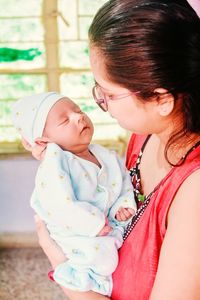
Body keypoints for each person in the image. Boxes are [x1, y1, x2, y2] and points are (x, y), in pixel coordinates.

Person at [21, 0, 200, 299]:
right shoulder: (144, 136)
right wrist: (66, 161)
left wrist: (60, 262)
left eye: (109, 94)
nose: (99, 103)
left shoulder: (194, 193)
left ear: (161, 99)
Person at [12, 91, 136, 296]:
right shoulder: (55, 164)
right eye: (64, 120)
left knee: (116, 251)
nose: (79, 117)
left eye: (78, 110)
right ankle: (84, 277)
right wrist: (93, 225)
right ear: (44, 141)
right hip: (78, 230)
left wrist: (122, 205)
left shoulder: (104, 154)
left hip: (108, 224)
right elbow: (59, 205)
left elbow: (124, 181)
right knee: (101, 261)